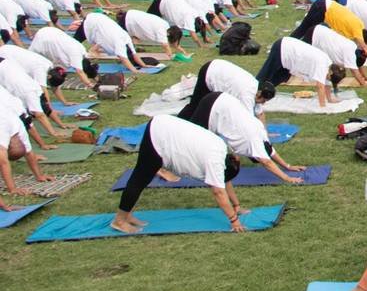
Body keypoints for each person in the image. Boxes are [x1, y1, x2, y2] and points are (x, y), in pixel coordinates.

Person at [111, 114, 243, 234]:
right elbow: (219, 192)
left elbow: (224, 183)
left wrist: (236, 205)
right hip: (159, 136)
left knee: (143, 178)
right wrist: (234, 220)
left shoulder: (221, 148)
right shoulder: (214, 163)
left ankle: (127, 214)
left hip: (165, 126)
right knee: (139, 179)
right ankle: (119, 221)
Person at [186, 91, 305, 183]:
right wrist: (287, 178)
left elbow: (270, 151)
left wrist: (287, 166)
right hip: (212, 107)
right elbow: (266, 161)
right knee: (191, 139)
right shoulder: (253, 142)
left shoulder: (261, 133)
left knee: (200, 139)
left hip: (222, 99)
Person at [254, 36, 342, 109]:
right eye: (328, 78)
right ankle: (250, 94)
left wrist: (329, 99)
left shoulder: (328, 65)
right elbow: (320, 87)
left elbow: (327, 84)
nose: (326, 79)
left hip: (289, 58)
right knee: (264, 75)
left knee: (281, 77)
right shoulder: (322, 65)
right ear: (330, 73)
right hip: (282, 48)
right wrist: (323, 107)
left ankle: (263, 95)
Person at [180, 58, 275, 119]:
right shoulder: (247, 95)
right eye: (264, 100)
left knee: (209, 108)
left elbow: (260, 114)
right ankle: (179, 123)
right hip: (210, 72)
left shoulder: (257, 89)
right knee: (196, 105)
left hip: (218, 67)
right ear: (259, 94)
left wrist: (265, 135)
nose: (263, 103)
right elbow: (247, 121)